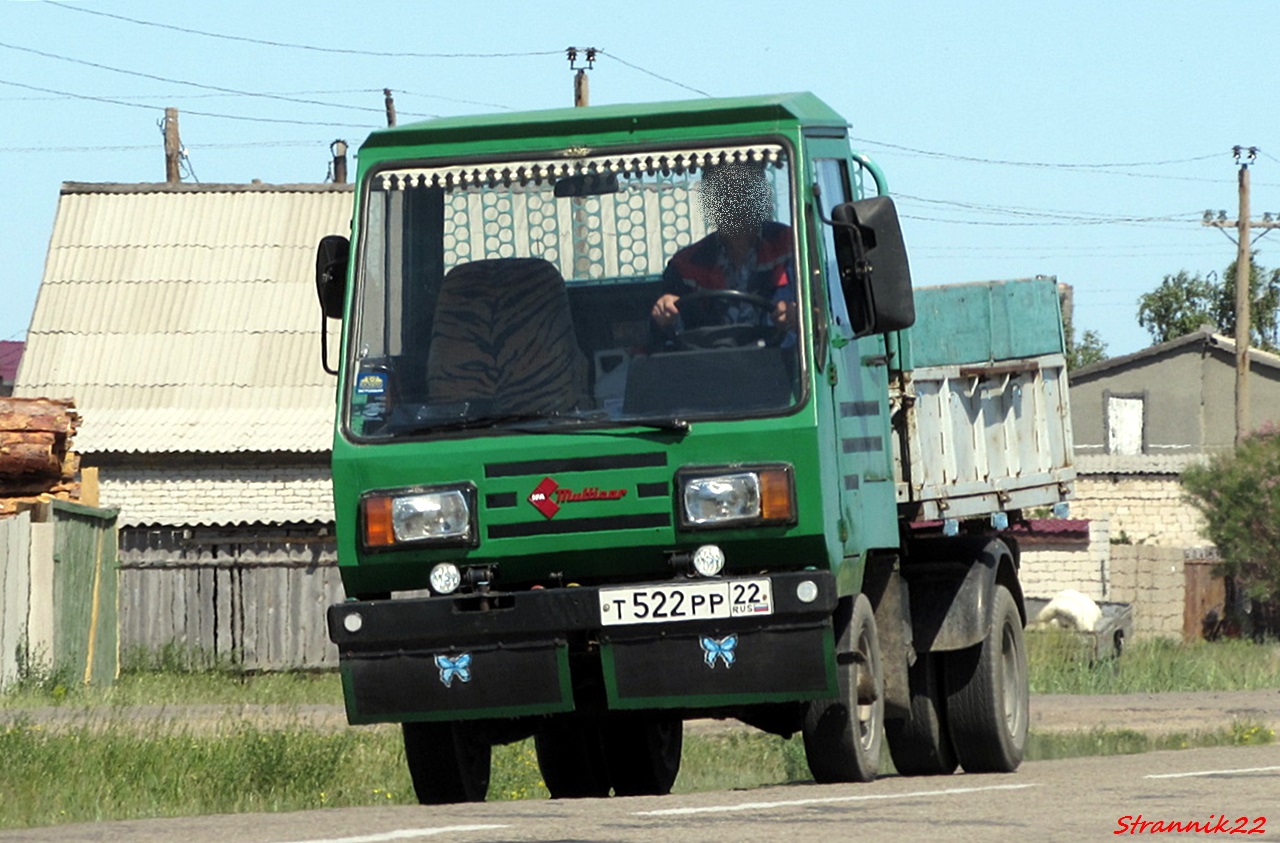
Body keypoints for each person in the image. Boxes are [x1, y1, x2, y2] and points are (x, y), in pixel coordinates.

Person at [650, 161, 796, 342]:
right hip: (711, 366)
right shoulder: (685, 266)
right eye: (725, 191)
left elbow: (822, 315)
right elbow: (662, 335)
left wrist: (797, 315)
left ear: (759, 193)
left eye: (743, 189)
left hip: (784, 364)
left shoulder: (792, 246)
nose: (735, 201)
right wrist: (664, 312)